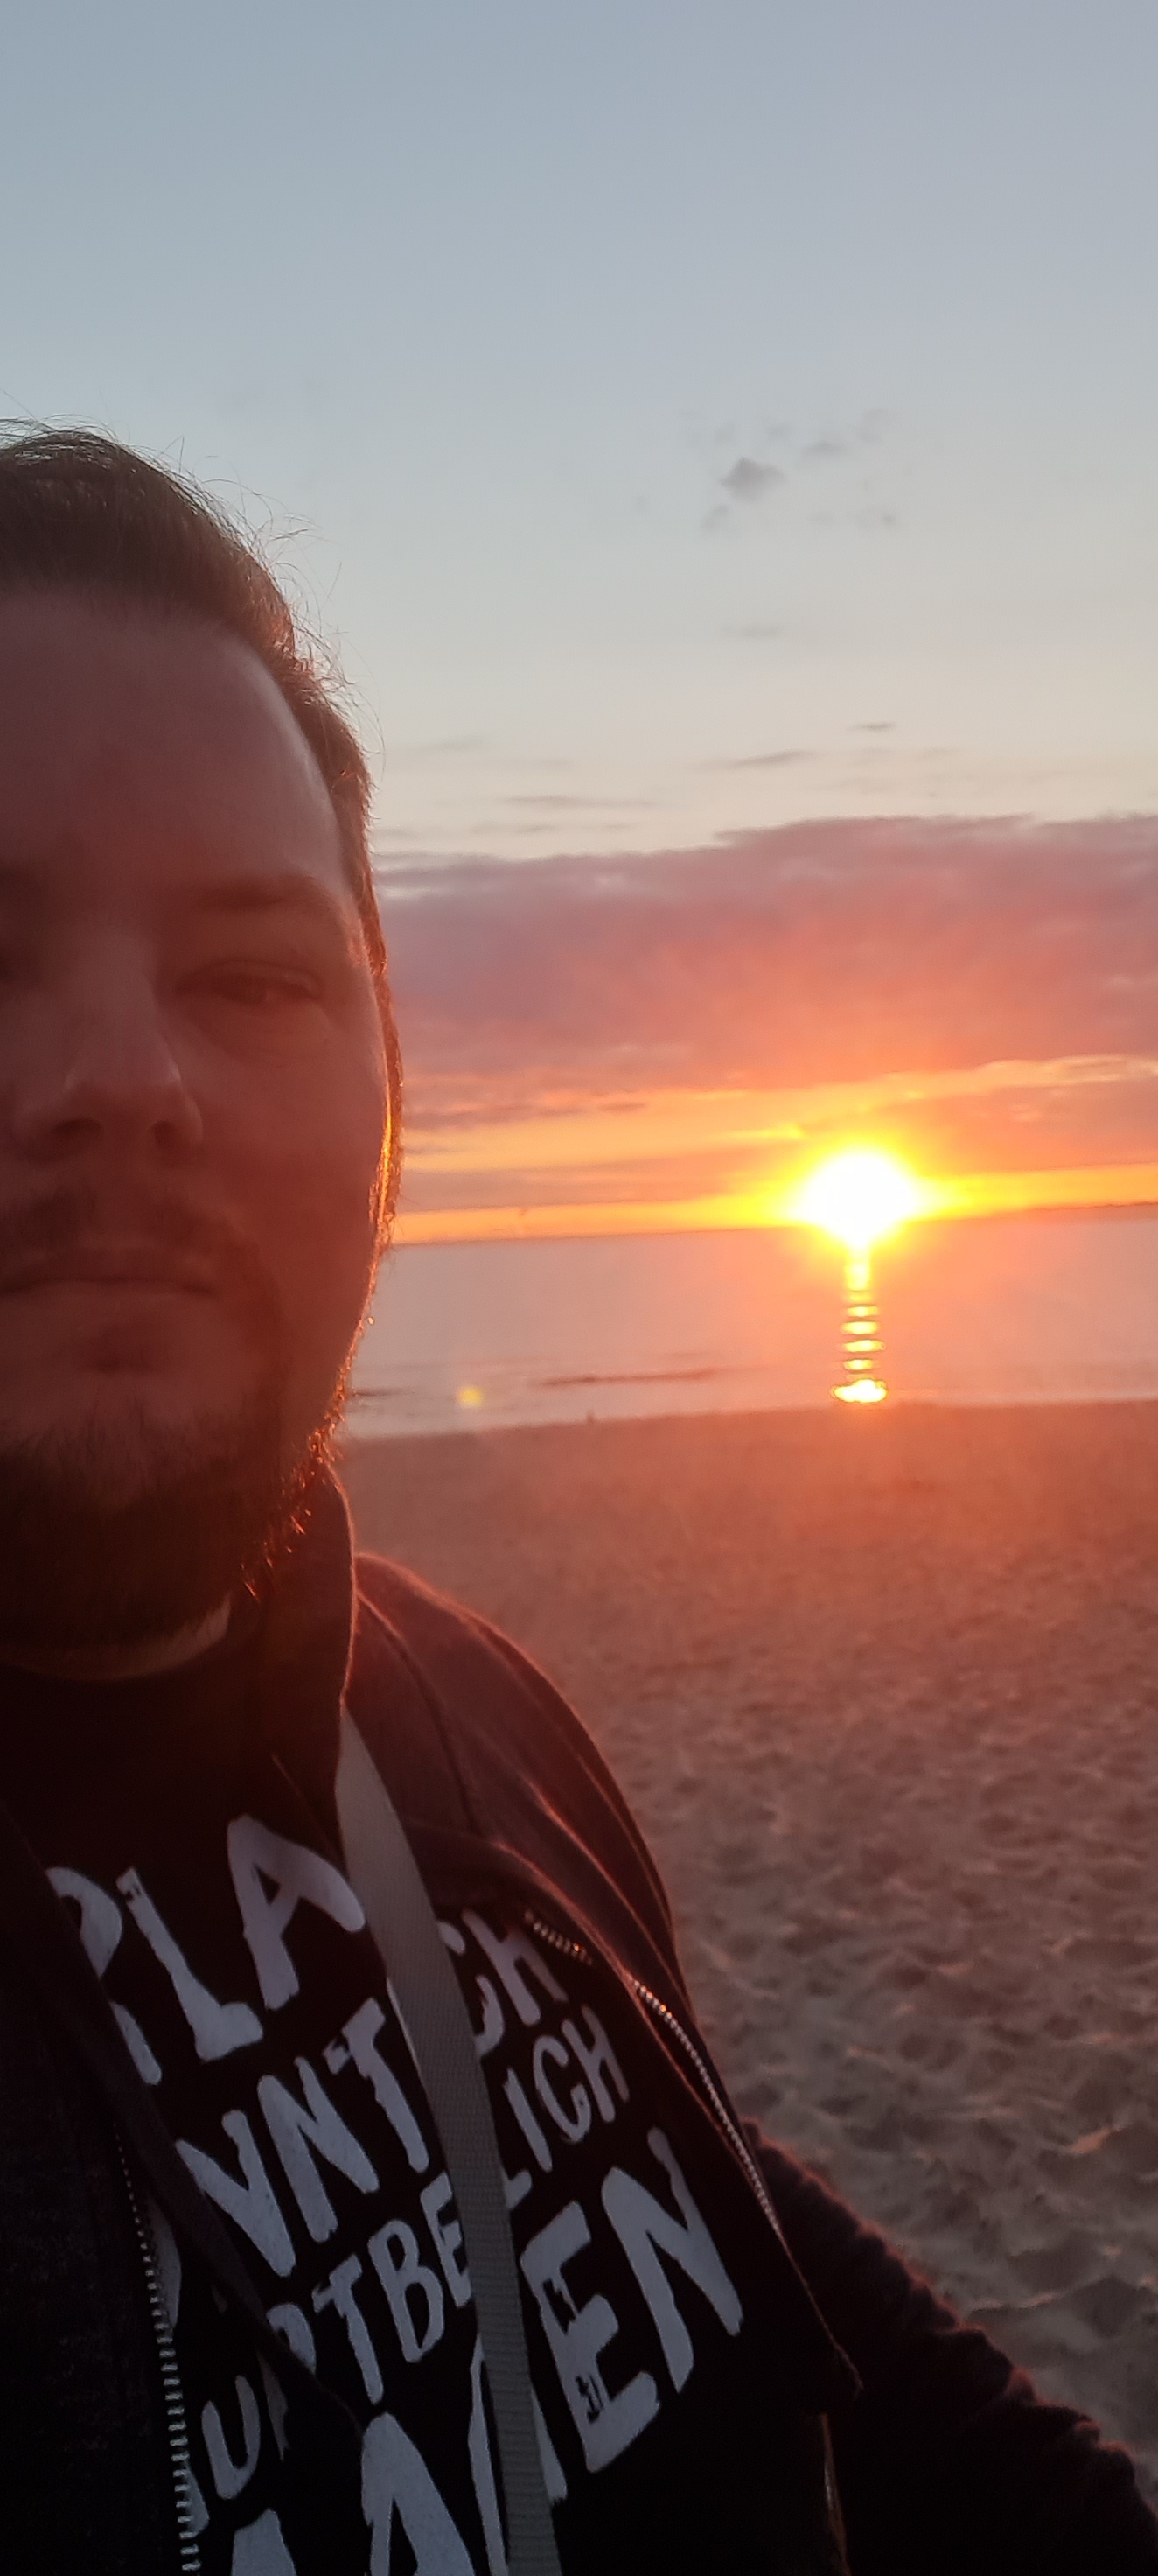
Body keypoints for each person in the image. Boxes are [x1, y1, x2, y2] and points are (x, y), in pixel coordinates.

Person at [0, 426, 1152, 2576]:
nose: (123, 1081)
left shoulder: (455, 1709)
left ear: (384, 1079)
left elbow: (719, 2227)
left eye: (250, 974)